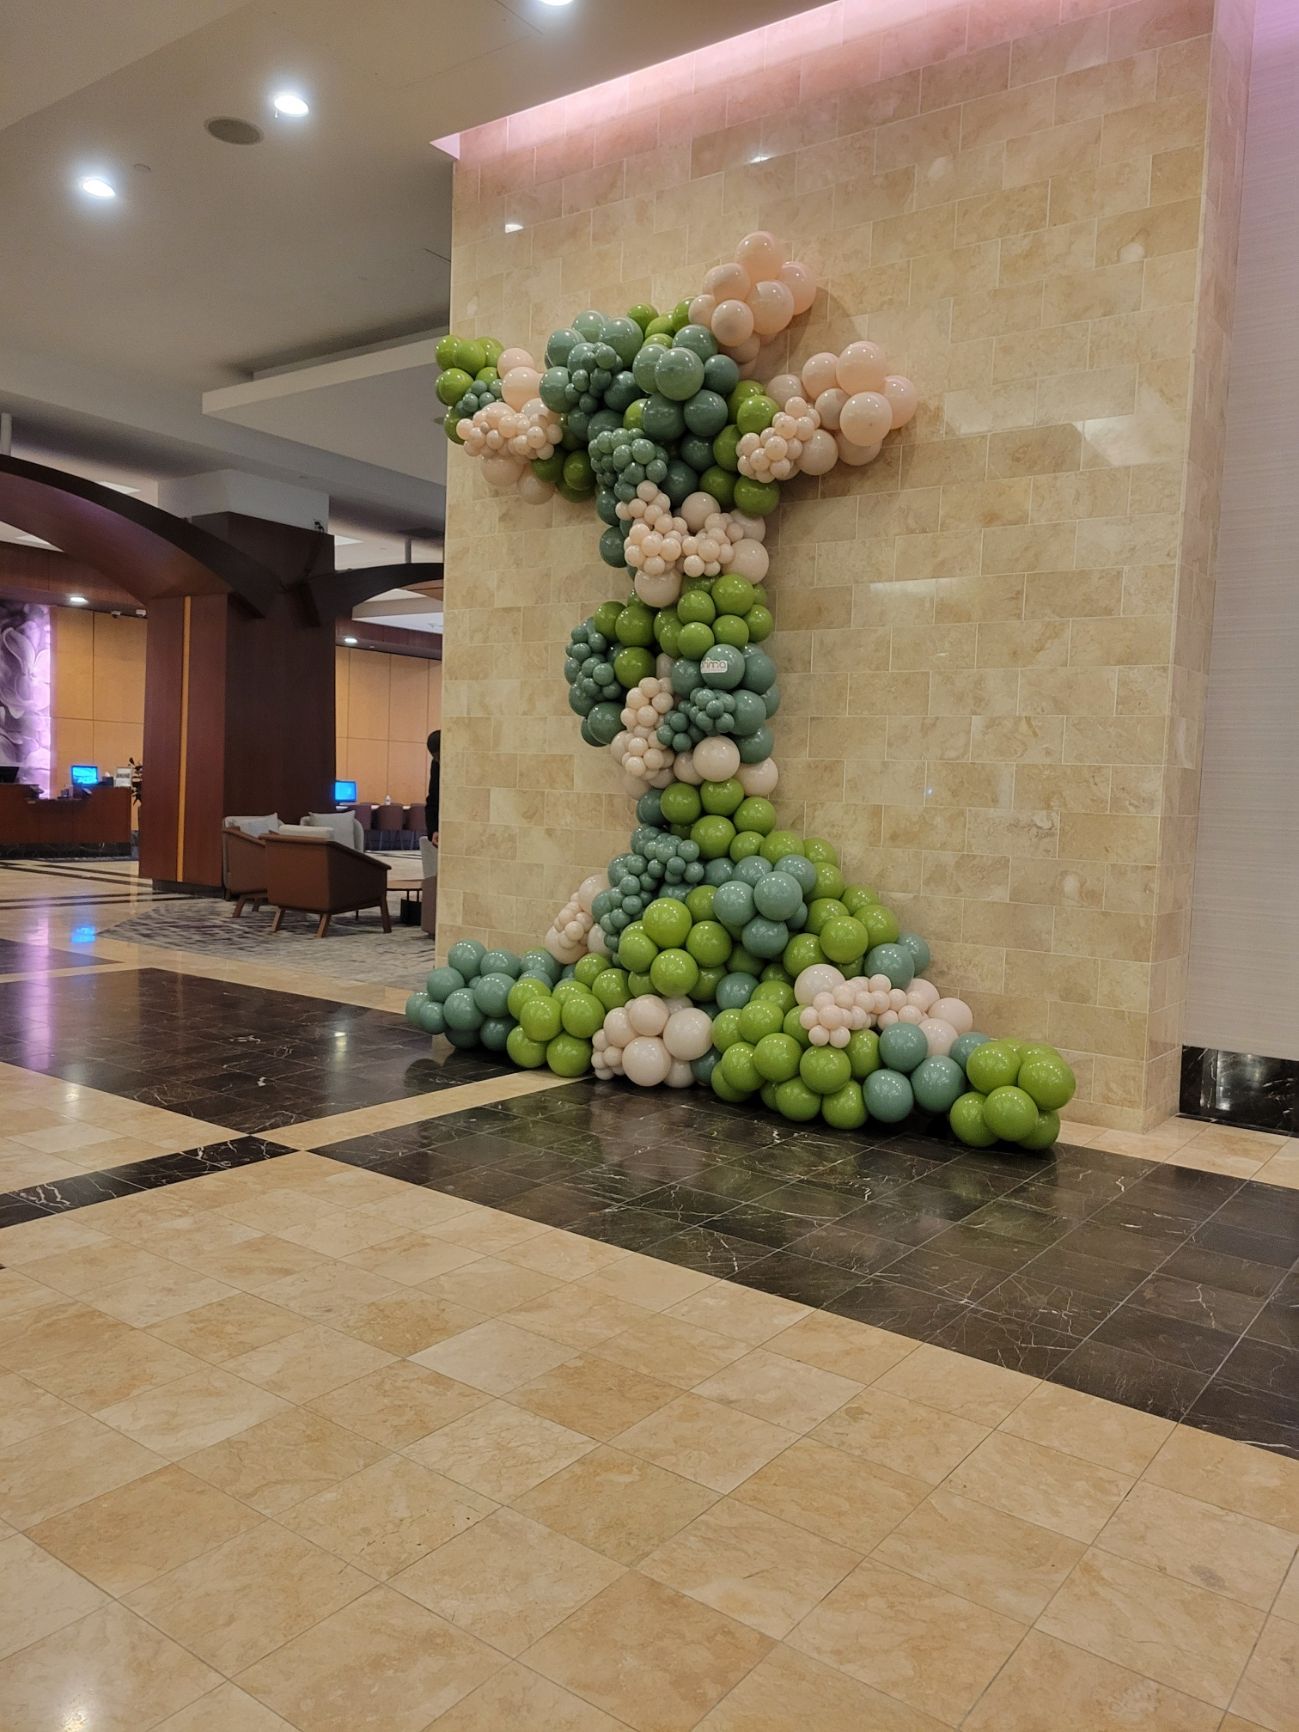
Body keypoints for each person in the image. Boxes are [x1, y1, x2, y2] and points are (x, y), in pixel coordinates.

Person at [425, 730, 440, 845]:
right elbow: (433, 798)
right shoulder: (436, 764)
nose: (438, 761)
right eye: (435, 757)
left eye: (439, 756)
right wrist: (433, 829)